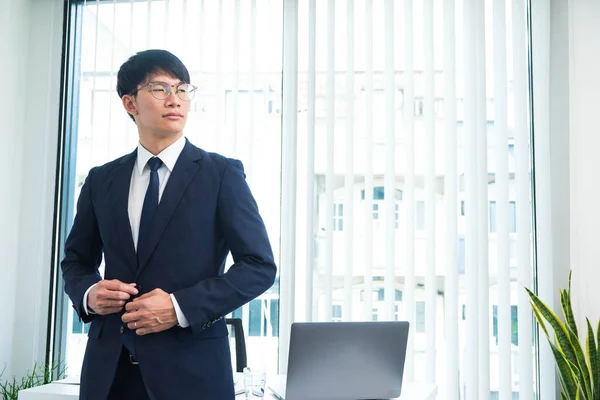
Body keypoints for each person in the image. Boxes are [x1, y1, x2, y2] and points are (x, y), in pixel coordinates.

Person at [61, 49, 277, 400]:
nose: (174, 99)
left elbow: (259, 267)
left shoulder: (221, 174)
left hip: (192, 372)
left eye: (182, 89)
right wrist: (89, 293)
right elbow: (75, 260)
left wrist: (179, 307)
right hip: (109, 373)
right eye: (159, 89)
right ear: (130, 103)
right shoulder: (101, 180)